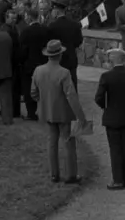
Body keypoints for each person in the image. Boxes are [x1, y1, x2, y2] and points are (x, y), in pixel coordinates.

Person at [31, 38, 88, 185]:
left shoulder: (38, 70)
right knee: (69, 143)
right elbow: (72, 96)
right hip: (64, 114)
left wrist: (44, 103)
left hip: (47, 112)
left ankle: (54, 175)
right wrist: (81, 117)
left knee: (52, 142)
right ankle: (71, 175)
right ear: (60, 55)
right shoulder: (64, 73)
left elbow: (33, 93)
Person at [95, 47, 125, 190]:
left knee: (115, 149)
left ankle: (118, 180)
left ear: (112, 60)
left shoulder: (106, 77)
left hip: (112, 117)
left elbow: (99, 98)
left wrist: (105, 107)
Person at [45, 0, 84, 92]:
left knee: (58, 87)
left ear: (56, 11)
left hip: (58, 58)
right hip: (71, 57)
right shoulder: (74, 25)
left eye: (52, 10)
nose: (52, 13)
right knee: (72, 84)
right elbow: (79, 41)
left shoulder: (52, 26)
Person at [17, 7, 49, 120]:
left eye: (26, 16)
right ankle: (46, 112)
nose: (25, 18)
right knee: (44, 89)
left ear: (29, 17)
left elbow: (22, 50)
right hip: (44, 63)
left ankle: (31, 113)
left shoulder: (25, 32)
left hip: (29, 65)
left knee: (29, 90)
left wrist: (21, 61)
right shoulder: (45, 30)